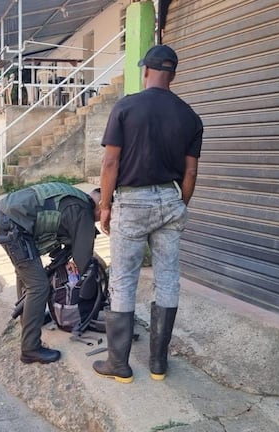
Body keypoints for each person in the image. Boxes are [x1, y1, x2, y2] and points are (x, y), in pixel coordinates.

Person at [93, 45, 203, 383]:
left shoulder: (126, 107)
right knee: (167, 278)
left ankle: (119, 365)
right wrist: (178, 203)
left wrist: (106, 204)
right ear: (173, 74)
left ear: (146, 71)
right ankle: (158, 364)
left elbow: (111, 162)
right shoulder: (190, 116)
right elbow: (191, 173)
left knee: (124, 279)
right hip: (170, 199)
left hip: (132, 201)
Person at [0, 182, 102, 364]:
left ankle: (32, 318)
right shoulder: (84, 211)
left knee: (28, 273)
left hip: (4, 216)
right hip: (13, 225)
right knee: (39, 286)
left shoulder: (75, 198)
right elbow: (84, 263)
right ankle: (30, 349)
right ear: (102, 207)